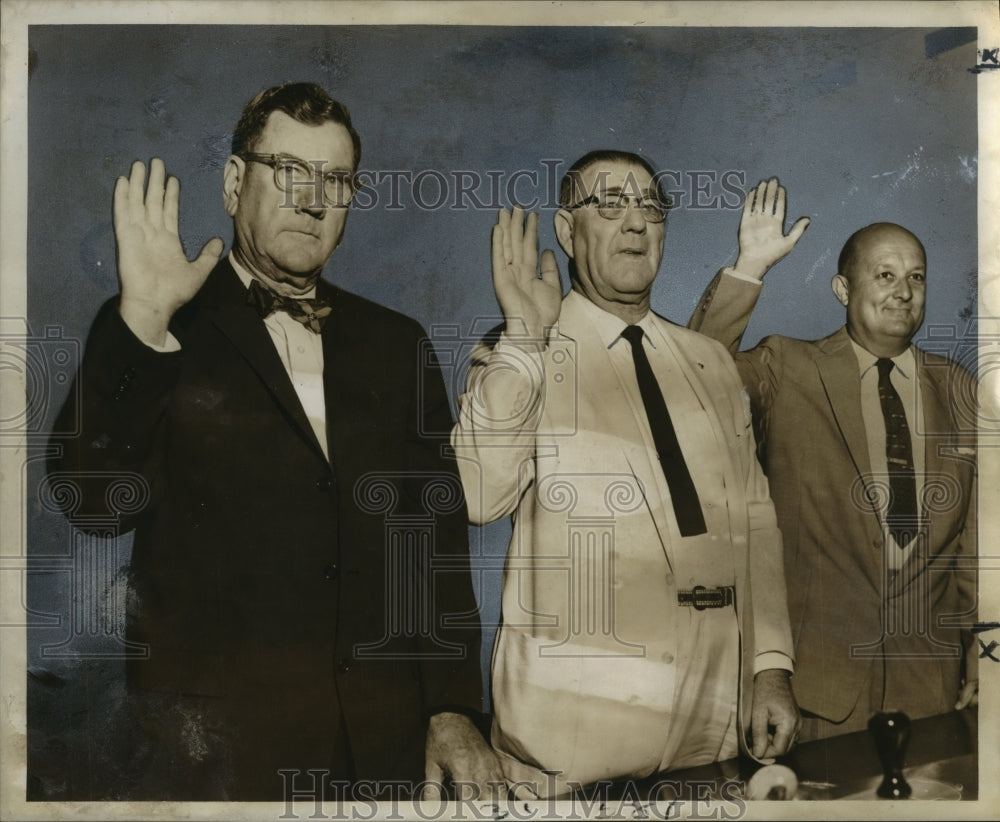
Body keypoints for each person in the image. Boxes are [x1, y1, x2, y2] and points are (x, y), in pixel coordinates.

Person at [48, 82, 501, 801]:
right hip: (217, 757)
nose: (313, 199)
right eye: (288, 171)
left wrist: (451, 708)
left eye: (336, 180)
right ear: (234, 184)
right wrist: (139, 322)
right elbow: (93, 501)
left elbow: (433, 547)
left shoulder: (397, 343)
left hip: (382, 744)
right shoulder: (164, 325)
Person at [450, 151, 807, 797]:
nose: (635, 224)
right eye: (609, 206)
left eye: (650, 208)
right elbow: (477, 496)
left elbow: (756, 523)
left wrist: (771, 666)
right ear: (566, 230)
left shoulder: (709, 363)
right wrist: (528, 337)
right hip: (573, 743)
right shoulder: (518, 354)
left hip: (712, 725)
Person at [690, 193, 979, 741]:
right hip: (814, 696)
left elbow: (978, 546)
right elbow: (690, 374)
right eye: (886, 275)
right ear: (843, 290)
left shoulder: (961, 389)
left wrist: (983, 654)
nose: (903, 291)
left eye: (916, 277)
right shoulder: (785, 367)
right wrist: (749, 267)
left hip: (933, 693)